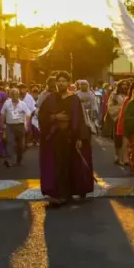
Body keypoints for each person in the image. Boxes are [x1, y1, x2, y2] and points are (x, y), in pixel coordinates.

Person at [37, 71, 93, 206]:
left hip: (70, 138)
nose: (60, 83)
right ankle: (59, 194)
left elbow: (79, 120)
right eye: (58, 81)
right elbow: (41, 117)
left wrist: (80, 138)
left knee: (71, 165)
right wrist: (55, 117)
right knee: (57, 165)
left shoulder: (74, 99)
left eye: (63, 81)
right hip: (55, 138)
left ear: (68, 83)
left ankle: (69, 193)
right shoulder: (50, 98)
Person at [1, 88, 30, 167]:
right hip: (9, 125)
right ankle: (10, 160)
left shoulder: (23, 104)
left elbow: (28, 114)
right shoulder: (7, 103)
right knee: (10, 142)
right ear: (10, 95)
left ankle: (19, 158)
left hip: (20, 125)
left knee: (21, 145)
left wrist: (26, 124)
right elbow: (3, 114)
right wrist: (3, 125)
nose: (14, 95)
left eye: (16, 94)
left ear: (18, 95)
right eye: (12, 94)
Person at [107, 80, 130, 164]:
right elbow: (110, 106)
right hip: (118, 118)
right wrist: (121, 108)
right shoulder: (114, 94)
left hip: (129, 119)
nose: (124, 86)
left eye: (126, 84)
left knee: (127, 139)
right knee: (118, 139)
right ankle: (118, 156)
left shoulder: (131, 94)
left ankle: (125, 158)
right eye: (123, 85)